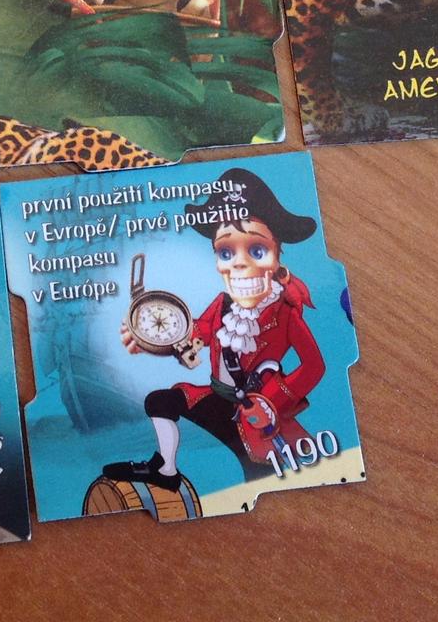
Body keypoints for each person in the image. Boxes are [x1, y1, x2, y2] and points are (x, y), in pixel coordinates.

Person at [103, 167, 324, 488]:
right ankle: (165, 471)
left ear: (277, 258)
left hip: (254, 409)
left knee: (260, 471)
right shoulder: (223, 304)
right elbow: (196, 334)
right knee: (159, 401)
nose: (238, 263)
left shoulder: (285, 313)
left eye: (257, 250)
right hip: (215, 397)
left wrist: (271, 401)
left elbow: (314, 366)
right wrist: (151, 338)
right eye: (225, 252)